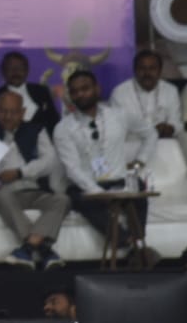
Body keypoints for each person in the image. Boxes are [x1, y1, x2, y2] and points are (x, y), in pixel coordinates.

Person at [0, 90, 69, 271]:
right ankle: (43, 249)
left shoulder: (36, 130)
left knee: (62, 200)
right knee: (2, 197)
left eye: (13, 112)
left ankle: (28, 247)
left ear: (22, 112)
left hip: (33, 189)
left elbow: (50, 161)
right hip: (4, 191)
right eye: (3, 111)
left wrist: (20, 172)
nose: (7, 117)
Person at [54, 70, 159, 264]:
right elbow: (72, 169)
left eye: (85, 88)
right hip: (85, 185)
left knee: (138, 185)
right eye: (74, 91)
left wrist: (140, 161)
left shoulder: (118, 115)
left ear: (97, 89)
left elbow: (150, 133)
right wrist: (98, 193)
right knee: (78, 197)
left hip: (118, 178)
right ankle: (131, 245)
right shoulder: (63, 128)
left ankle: (138, 242)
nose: (80, 94)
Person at [109, 49, 182, 141]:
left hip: (163, 141)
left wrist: (169, 128)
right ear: (135, 70)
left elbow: (176, 122)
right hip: (132, 142)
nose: (147, 73)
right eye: (142, 68)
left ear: (160, 71)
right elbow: (117, 127)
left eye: (152, 68)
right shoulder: (120, 93)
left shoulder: (170, 91)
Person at [0, 52, 61, 134]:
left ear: (27, 70)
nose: (16, 72)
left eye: (20, 68)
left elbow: (54, 120)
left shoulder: (41, 91)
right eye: (11, 68)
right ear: (3, 71)